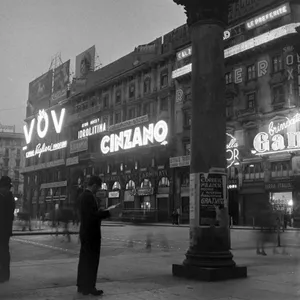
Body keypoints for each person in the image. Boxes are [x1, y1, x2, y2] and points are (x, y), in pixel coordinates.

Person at [76, 176, 117, 296]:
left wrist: (100, 211)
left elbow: (88, 214)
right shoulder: (89, 196)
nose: (98, 190)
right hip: (91, 233)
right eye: (98, 188)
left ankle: (82, 286)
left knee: (84, 260)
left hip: (85, 232)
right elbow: (92, 216)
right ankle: (89, 287)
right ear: (94, 185)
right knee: (92, 261)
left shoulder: (82, 196)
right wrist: (108, 212)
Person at [0, 176, 15, 283]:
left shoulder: (4, 196)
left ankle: (3, 274)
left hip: (3, 229)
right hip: (6, 229)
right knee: (4, 251)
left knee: (3, 251)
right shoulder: (10, 197)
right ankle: (5, 274)